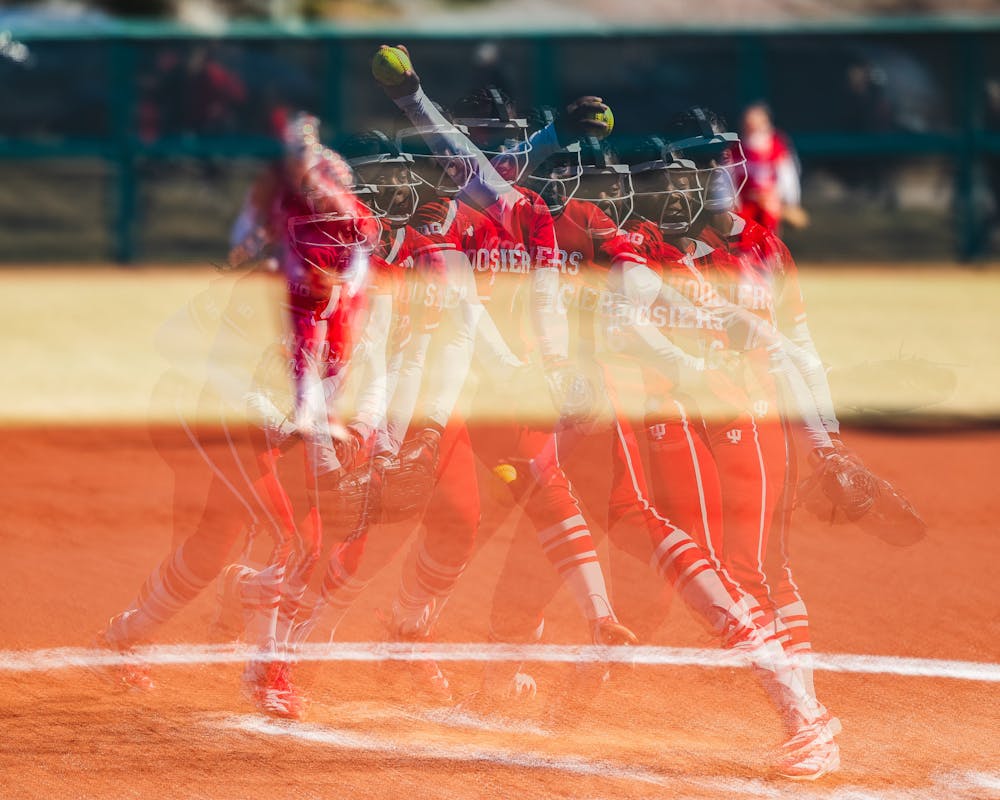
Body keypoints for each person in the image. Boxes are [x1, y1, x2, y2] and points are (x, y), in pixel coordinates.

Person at [739, 102, 807, 234]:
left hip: (769, 202)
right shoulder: (736, 150)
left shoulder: (776, 147)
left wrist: (791, 202)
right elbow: (726, 179)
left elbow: (788, 177)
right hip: (744, 204)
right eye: (748, 122)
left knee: (768, 230)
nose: (751, 126)